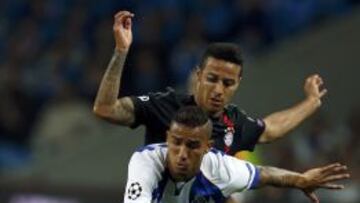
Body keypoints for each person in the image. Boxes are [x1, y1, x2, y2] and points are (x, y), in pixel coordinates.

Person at [93, 10, 327, 155]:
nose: (218, 90)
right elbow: (105, 109)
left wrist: (311, 102)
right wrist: (121, 51)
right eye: (212, 79)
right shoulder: (164, 104)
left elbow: (271, 128)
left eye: (227, 83)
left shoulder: (234, 123)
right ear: (198, 76)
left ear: (238, 84)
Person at [124, 106, 349, 203]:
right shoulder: (146, 161)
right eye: (176, 143)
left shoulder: (216, 166)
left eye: (192, 146)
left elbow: (264, 174)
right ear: (167, 138)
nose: (182, 153)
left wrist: (301, 180)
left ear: (206, 147)